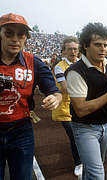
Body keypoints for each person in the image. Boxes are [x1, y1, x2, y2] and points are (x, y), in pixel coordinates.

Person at [0, 13, 62, 179]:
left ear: (26, 38)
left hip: (21, 132)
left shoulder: (34, 62)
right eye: (9, 33)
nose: (15, 39)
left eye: (21, 34)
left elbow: (55, 91)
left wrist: (55, 98)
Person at [65, 22, 107, 180]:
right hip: (85, 128)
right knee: (97, 175)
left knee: (94, 169)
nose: (103, 48)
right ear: (85, 45)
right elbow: (81, 109)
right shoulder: (75, 72)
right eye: (98, 44)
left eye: (105, 44)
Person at [51, 36, 82, 176]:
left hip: (81, 105)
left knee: (83, 135)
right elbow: (65, 88)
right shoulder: (59, 67)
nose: (73, 52)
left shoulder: (82, 64)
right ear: (63, 51)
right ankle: (78, 163)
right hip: (65, 108)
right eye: (69, 49)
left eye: (75, 49)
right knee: (74, 136)